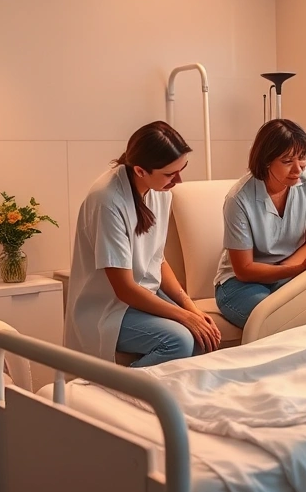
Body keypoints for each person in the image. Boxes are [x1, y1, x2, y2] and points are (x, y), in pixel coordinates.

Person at [66, 121, 221, 367]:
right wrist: (185, 318)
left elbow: (157, 259)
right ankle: (116, 395)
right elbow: (124, 289)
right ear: (140, 171)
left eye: (182, 169)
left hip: (144, 293)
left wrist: (190, 307)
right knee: (179, 340)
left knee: (203, 338)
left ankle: (172, 402)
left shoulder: (160, 190)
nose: (178, 180)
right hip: (109, 307)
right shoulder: (107, 201)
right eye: (170, 174)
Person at [214, 118, 306, 329]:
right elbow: (244, 269)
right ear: (266, 161)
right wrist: (296, 269)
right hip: (240, 284)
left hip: (288, 273)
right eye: (287, 161)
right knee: (278, 321)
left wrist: (288, 269)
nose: (298, 169)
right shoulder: (238, 199)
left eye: (302, 157)